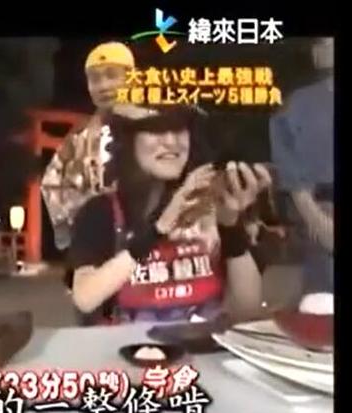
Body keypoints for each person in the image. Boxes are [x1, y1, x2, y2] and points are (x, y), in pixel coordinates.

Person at [68, 105, 271, 325]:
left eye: (179, 128)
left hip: (204, 341)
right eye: (155, 129)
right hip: (130, 344)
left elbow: (247, 308)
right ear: (128, 140)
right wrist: (159, 228)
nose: (171, 141)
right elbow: (85, 298)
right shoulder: (102, 211)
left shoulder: (212, 203)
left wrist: (232, 226)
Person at [41, 41, 149, 253]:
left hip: (150, 238)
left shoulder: (157, 125)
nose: (103, 86)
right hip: (98, 243)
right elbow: (52, 182)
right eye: (95, 79)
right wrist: (76, 225)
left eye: (111, 75)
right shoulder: (80, 136)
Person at [269, 37, 334, 294]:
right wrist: (317, 220)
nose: (321, 49)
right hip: (320, 211)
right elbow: (290, 171)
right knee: (322, 297)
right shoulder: (297, 104)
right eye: (320, 43)